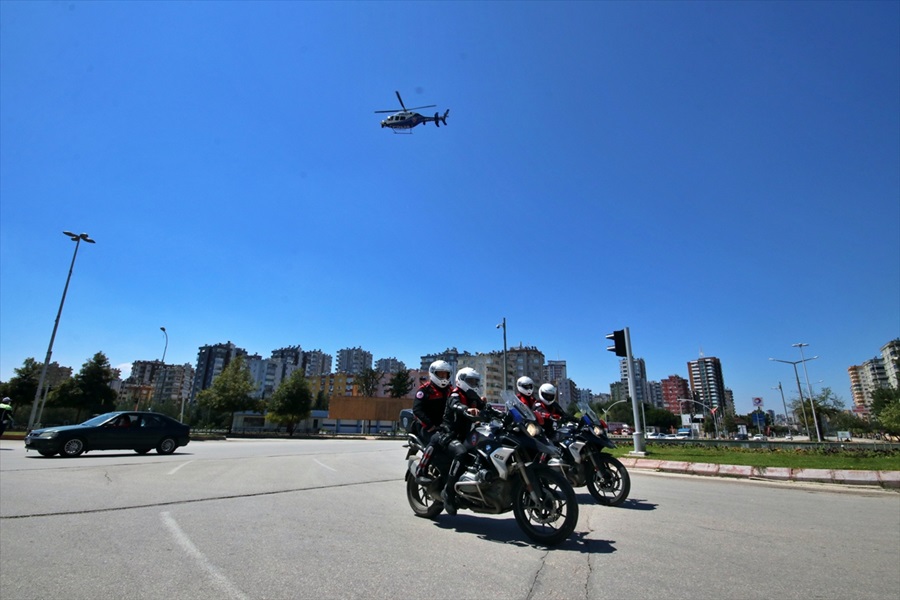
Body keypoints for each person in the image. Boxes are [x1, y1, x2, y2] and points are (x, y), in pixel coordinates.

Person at [440, 367, 486, 515]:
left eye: (475, 381)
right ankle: (448, 492)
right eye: (470, 381)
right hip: (450, 435)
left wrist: (497, 412)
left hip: (465, 435)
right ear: (461, 380)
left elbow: (483, 406)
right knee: (461, 453)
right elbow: (456, 405)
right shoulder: (455, 394)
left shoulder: (472, 395)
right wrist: (466, 409)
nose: (473, 383)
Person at [412, 360, 453, 481]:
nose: (443, 377)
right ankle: (422, 470)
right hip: (427, 427)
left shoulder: (450, 390)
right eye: (440, 374)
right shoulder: (425, 390)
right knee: (436, 442)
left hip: (444, 427)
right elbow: (417, 410)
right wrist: (430, 425)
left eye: (445, 374)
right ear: (433, 374)